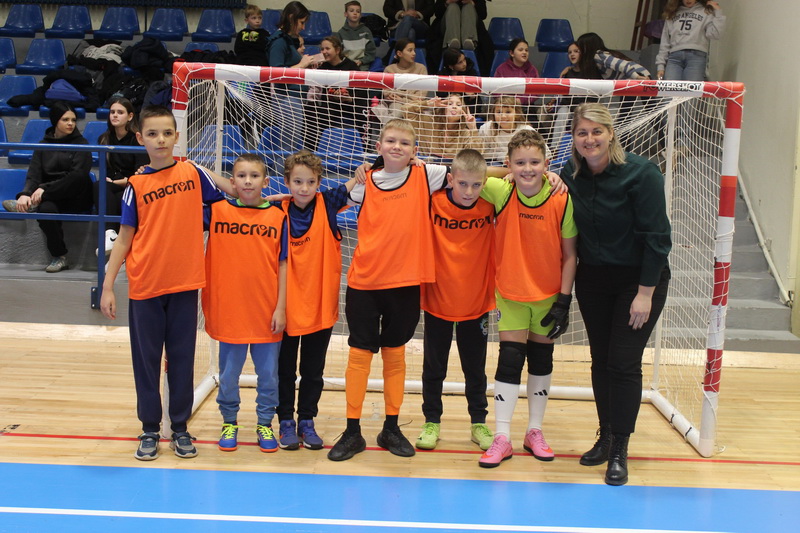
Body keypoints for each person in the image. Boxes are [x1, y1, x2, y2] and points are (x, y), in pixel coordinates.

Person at [100, 105, 225, 461]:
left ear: (177, 137)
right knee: (147, 362)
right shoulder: (136, 185)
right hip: (145, 286)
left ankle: (180, 428)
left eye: (167, 133)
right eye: (152, 134)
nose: (160, 140)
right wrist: (107, 286)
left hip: (185, 284)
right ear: (140, 138)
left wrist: (207, 171)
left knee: (182, 359)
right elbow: (124, 238)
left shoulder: (192, 174)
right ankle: (150, 428)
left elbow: (227, 201)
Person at [560, 103, 671, 486]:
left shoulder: (642, 173)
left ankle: (621, 447)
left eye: (596, 131)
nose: (589, 139)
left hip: (638, 282)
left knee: (623, 363)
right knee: (601, 360)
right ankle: (605, 436)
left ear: (610, 133)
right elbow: (528, 174)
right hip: (593, 280)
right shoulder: (570, 174)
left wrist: (645, 294)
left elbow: (658, 239)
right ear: (573, 138)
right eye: (582, 132)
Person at [326, 118, 449, 462]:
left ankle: (391, 428)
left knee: (395, 356)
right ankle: (352, 432)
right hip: (365, 283)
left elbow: (473, 172)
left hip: (405, 284)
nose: (397, 147)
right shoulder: (366, 182)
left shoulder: (426, 174)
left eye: (405, 143)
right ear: (378, 147)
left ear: (415, 151)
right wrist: (357, 176)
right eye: (391, 141)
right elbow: (328, 201)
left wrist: (516, 174)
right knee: (359, 357)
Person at [477, 129, 578, 469]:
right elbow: (467, 169)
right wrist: (501, 171)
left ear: (547, 164)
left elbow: (570, 255)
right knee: (509, 360)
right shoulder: (502, 190)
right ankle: (502, 436)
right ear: (509, 164)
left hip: (548, 295)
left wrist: (564, 300)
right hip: (510, 294)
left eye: (535, 162)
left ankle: (534, 431)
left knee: (541, 361)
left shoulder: (561, 198)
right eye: (519, 163)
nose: (528, 169)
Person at [203, 154, 288, 454]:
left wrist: (281, 307)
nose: (248, 181)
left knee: (269, 376)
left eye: (254, 176)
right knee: (228, 375)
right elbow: (192, 177)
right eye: (241, 176)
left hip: (266, 312)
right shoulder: (216, 210)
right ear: (232, 181)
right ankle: (229, 421)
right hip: (229, 311)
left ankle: (265, 423)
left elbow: (284, 264)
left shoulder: (278, 216)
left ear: (266, 182)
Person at [276, 150, 358, 450]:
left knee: (313, 371)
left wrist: (363, 169)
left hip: (319, 307)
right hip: (284, 308)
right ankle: (286, 420)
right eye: (298, 182)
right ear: (286, 182)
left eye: (311, 182)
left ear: (319, 182)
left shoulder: (328, 203)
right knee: (284, 370)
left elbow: (360, 180)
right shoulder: (276, 210)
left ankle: (307, 420)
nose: (304, 188)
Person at [415, 148, 495, 452]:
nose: (469, 191)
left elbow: (517, 176)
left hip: (477, 301)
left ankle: (478, 423)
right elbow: (406, 177)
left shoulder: (491, 204)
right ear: (450, 179)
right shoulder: (432, 201)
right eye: (462, 184)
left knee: (475, 368)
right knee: (434, 367)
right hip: (438, 299)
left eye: (476, 185)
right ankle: (431, 421)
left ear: (484, 183)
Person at [1, 101, 92, 273]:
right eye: (65, 120)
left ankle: (33, 204)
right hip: (51, 197)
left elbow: (78, 175)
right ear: (55, 121)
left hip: (76, 196)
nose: (71, 124)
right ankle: (60, 256)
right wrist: (25, 194)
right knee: (46, 210)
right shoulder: (43, 144)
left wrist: (44, 189)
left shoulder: (82, 144)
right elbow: (34, 174)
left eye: (73, 120)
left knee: (78, 176)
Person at [93, 97, 148, 258]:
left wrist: (116, 182)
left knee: (114, 194)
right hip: (112, 186)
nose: (115, 115)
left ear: (130, 116)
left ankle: (117, 247)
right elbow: (106, 170)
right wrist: (112, 182)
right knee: (102, 188)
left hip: (131, 186)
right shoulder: (104, 139)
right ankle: (111, 236)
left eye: (120, 112)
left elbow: (139, 174)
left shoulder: (137, 139)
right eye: (112, 112)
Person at [266, 1, 315, 150]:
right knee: (287, 148)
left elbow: (290, 68)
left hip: (293, 98)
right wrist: (302, 65)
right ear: (291, 17)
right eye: (301, 22)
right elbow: (276, 73)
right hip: (286, 99)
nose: (303, 27)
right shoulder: (279, 41)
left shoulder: (287, 40)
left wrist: (305, 65)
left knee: (290, 147)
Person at [306, 34, 366, 150]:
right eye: (322, 49)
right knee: (311, 111)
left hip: (349, 107)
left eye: (327, 48)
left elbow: (361, 92)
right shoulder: (322, 67)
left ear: (338, 50)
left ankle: (361, 149)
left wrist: (349, 98)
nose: (324, 52)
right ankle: (312, 149)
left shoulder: (351, 66)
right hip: (329, 108)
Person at [656, 0, 726, 81]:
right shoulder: (672, 13)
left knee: (691, 88)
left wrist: (718, 12)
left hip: (696, 56)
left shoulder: (705, 11)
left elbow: (715, 34)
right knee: (671, 87)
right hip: (674, 57)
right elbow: (665, 41)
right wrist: (660, 66)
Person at [403, 94, 483, 161]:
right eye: (450, 104)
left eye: (458, 105)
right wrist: (427, 103)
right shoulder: (429, 122)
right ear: (443, 108)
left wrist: (473, 128)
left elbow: (476, 156)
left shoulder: (465, 133)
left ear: (463, 111)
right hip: (426, 168)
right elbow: (405, 110)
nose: (454, 107)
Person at [371, 39, 428, 125]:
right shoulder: (389, 69)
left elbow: (420, 97)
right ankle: (387, 130)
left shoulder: (421, 68)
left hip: (415, 104)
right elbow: (387, 93)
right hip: (395, 103)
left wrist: (401, 98)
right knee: (397, 111)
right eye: (410, 50)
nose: (414, 53)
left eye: (414, 50)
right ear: (399, 53)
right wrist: (409, 96)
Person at [479, 95, 536, 164]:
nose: (503, 116)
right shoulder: (486, 128)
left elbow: (544, 153)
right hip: (494, 164)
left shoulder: (527, 131)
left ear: (517, 113)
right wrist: (502, 156)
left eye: (508, 112)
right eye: (499, 112)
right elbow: (482, 154)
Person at [493, 38, 540, 122]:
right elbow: (495, 90)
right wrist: (510, 101)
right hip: (505, 108)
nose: (524, 52)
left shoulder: (532, 70)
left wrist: (521, 100)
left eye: (526, 50)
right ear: (512, 53)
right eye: (520, 50)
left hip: (527, 108)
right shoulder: (501, 69)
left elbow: (536, 91)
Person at [574, 32, 651, 80]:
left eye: (580, 47)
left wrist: (637, 77)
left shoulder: (598, 56)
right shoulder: (595, 60)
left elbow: (622, 65)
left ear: (586, 47)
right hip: (635, 77)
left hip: (638, 75)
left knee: (635, 100)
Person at [336, 1, 376, 71]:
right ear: (346, 14)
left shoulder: (366, 31)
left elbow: (371, 52)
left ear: (360, 15)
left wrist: (362, 61)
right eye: (351, 11)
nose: (355, 13)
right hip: (346, 64)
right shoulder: (341, 33)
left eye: (358, 11)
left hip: (362, 64)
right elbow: (337, 53)